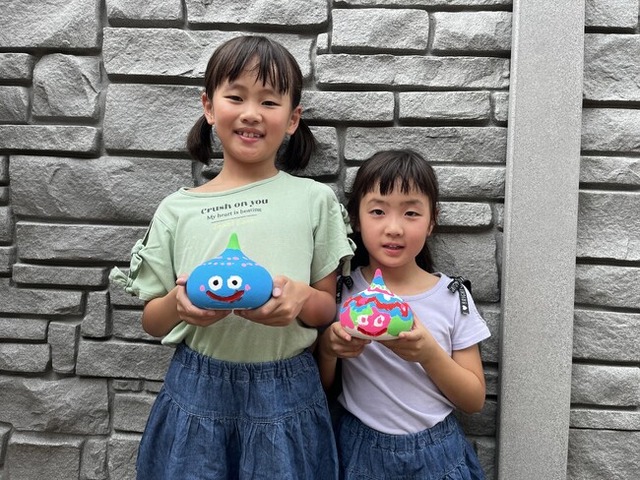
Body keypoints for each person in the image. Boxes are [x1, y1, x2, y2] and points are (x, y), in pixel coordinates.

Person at [110, 35, 353, 480]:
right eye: (236, 97)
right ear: (208, 107)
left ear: (293, 118)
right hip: (196, 387)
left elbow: (327, 308)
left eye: (269, 101)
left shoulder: (315, 201)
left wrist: (300, 298)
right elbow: (152, 320)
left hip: (288, 389)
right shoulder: (177, 209)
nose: (251, 113)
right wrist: (178, 304)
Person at [318, 150, 490, 479]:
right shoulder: (343, 293)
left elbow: (474, 400)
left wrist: (428, 354)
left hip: (438, 453)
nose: (394, 228)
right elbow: (322, 387)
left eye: (411, 213)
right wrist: (328, 348)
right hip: (359, 450)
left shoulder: (451, 296)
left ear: (432, 221)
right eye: (378, 211)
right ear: (356, 218)